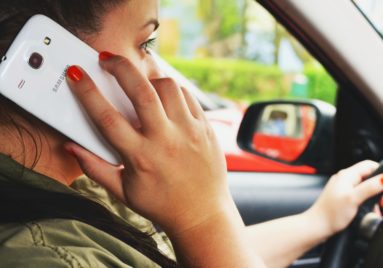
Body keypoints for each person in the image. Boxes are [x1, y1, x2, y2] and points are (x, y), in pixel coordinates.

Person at [0, 1, 382, 267]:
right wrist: (203, 215)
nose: (161, 75)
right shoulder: (46, 256)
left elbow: (202, 254)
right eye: (145, 44)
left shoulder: (80, 184)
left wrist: (318, 221)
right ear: (57, 59)